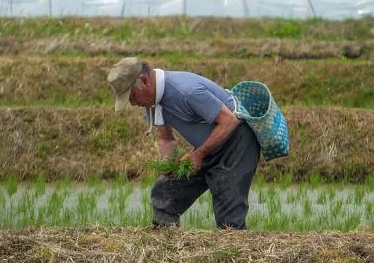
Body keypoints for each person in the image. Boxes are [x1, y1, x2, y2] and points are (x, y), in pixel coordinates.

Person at [107, 57, 261, 229]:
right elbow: (166, 138)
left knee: (229, 214)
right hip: (209, 146)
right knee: (165, 192)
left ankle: (234, 242)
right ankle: (167, 241)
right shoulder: (153, 102)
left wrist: (199, 154)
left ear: (144, 81)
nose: (132, 103)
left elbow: (229, 121)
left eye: (132, 96)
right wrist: (167, 161)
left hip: (237, 143)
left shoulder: (186, 91)